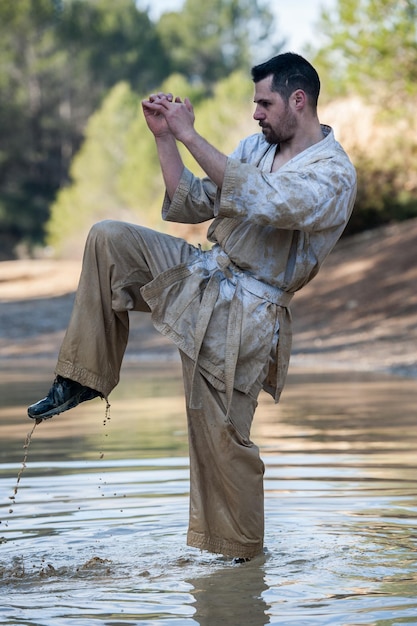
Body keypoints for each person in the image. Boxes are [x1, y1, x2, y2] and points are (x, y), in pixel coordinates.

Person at [27, 53, 357, 561]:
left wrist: (190, 136)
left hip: (248, 314)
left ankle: (242, 564)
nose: (255, 115)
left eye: (264, 103)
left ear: (299, 100)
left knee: (221, 445)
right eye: (254, 104)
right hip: (203, 272)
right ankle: (81, 377)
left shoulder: (333, 173)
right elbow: (193, 201)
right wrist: (165, 138)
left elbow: (266, 201)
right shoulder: (255, 147)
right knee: (110, 240)